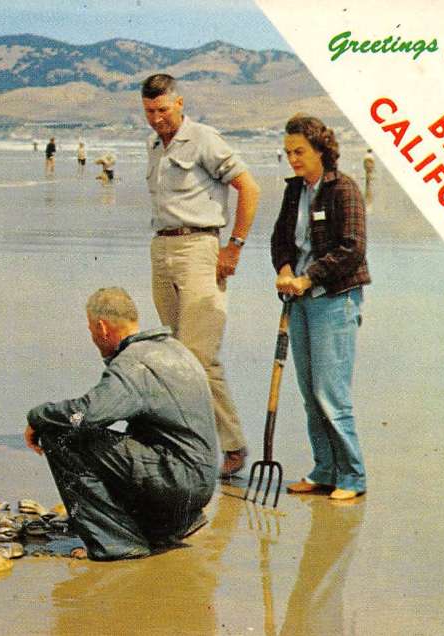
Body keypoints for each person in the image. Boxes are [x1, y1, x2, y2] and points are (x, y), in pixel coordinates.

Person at [25, 287, 219, 561]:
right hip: (198, 480)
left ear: (102, 327)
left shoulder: (133, 364)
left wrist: (39, 417)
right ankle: (168, 525)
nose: (93, 337)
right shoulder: (173, 348)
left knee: (62, 435)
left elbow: (85, 415)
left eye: (92, 330)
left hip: (179, 480)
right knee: (123, 439)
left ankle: (116, 544)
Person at [140, 73, 260, 479]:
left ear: (179, 102)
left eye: (162, 110)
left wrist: (235, 246)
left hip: (199, 249)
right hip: (163, 248)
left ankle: (232, 445)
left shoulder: (204, 138)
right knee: (174, 355)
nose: (156, 119)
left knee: (199, 355)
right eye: (148, 112)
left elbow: (249, 188)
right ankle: (187, 443)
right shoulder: (154, 145)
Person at [271, 114, 369, 501]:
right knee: (310, 393)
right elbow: (281, 237)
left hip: (335, 299)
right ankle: (324, 469)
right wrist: (283, 270)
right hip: (299, 302)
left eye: (299, 151)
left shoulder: (343, 188)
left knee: (331, 393)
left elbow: (352, 247)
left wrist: (307, 277)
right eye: (288, 152)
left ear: (320, 150)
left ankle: (353, 476)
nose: (293, 159)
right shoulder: (295, 190)